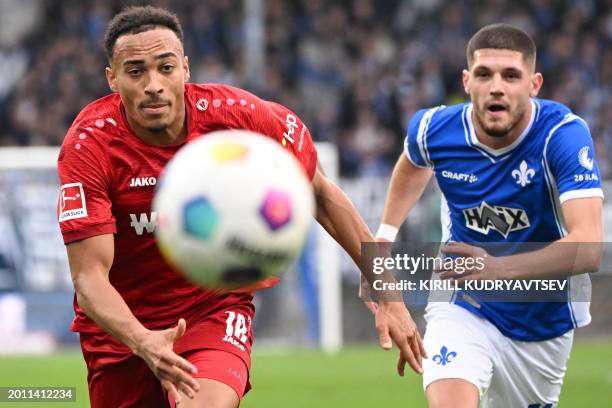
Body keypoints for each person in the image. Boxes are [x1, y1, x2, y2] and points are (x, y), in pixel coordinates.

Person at [56, 6, 424, 408]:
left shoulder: (240, 118)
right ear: (112, 79)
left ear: (185, 68)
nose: (153, 85)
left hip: (211, 307)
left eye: (165, 68)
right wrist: (143, 340)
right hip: (121, 334)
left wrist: (388, 294)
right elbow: (90, 277)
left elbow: (318, 192)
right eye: (136, 71)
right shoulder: (89, 146)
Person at [376, 23, 603, 407]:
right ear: (467, 81)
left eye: (511, 76)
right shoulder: (435, 128)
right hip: (461, 300)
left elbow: (589, 247)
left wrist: (499, 268)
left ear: (534, 84)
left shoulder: (562, 135)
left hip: (542, 320)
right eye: (484, 74)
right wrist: (384, 235)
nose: (496, 86)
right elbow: (413, 162)